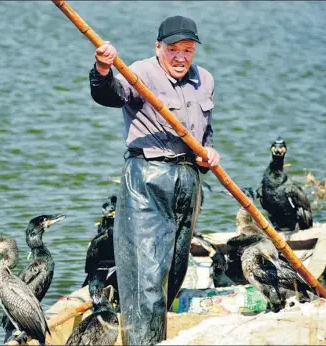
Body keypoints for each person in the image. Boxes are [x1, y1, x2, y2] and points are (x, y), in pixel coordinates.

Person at [88, 15, 220, 345]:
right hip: (147, 181)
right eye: (173, 49)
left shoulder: (205, 79)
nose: (180, 57)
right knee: (146, 281)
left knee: (173, 272)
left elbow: (206, 132)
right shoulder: (141, 72)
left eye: (187, 50)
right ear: (158, 47)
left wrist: (209, 152)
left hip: (188, 182)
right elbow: (110, 95)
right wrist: (103, 70)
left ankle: (154, 337)